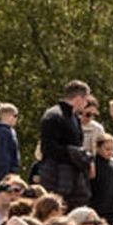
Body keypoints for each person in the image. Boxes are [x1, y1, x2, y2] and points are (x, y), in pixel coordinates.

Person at [37, 80, 94, 210]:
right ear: (79, 98)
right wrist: (74, 153)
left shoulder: (74, 117)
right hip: (55, 175)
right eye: (86, 100)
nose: (86, 104)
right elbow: (48, 147)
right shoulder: (53, 116)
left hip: (73, 177)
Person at [0, 104, 21, 183]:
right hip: (5, 171)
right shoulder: (2, 132)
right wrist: (6, 173)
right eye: (15, 115)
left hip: (10, 169)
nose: (16, 118)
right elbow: (3, 153)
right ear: (7, 116)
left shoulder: (9, 131)